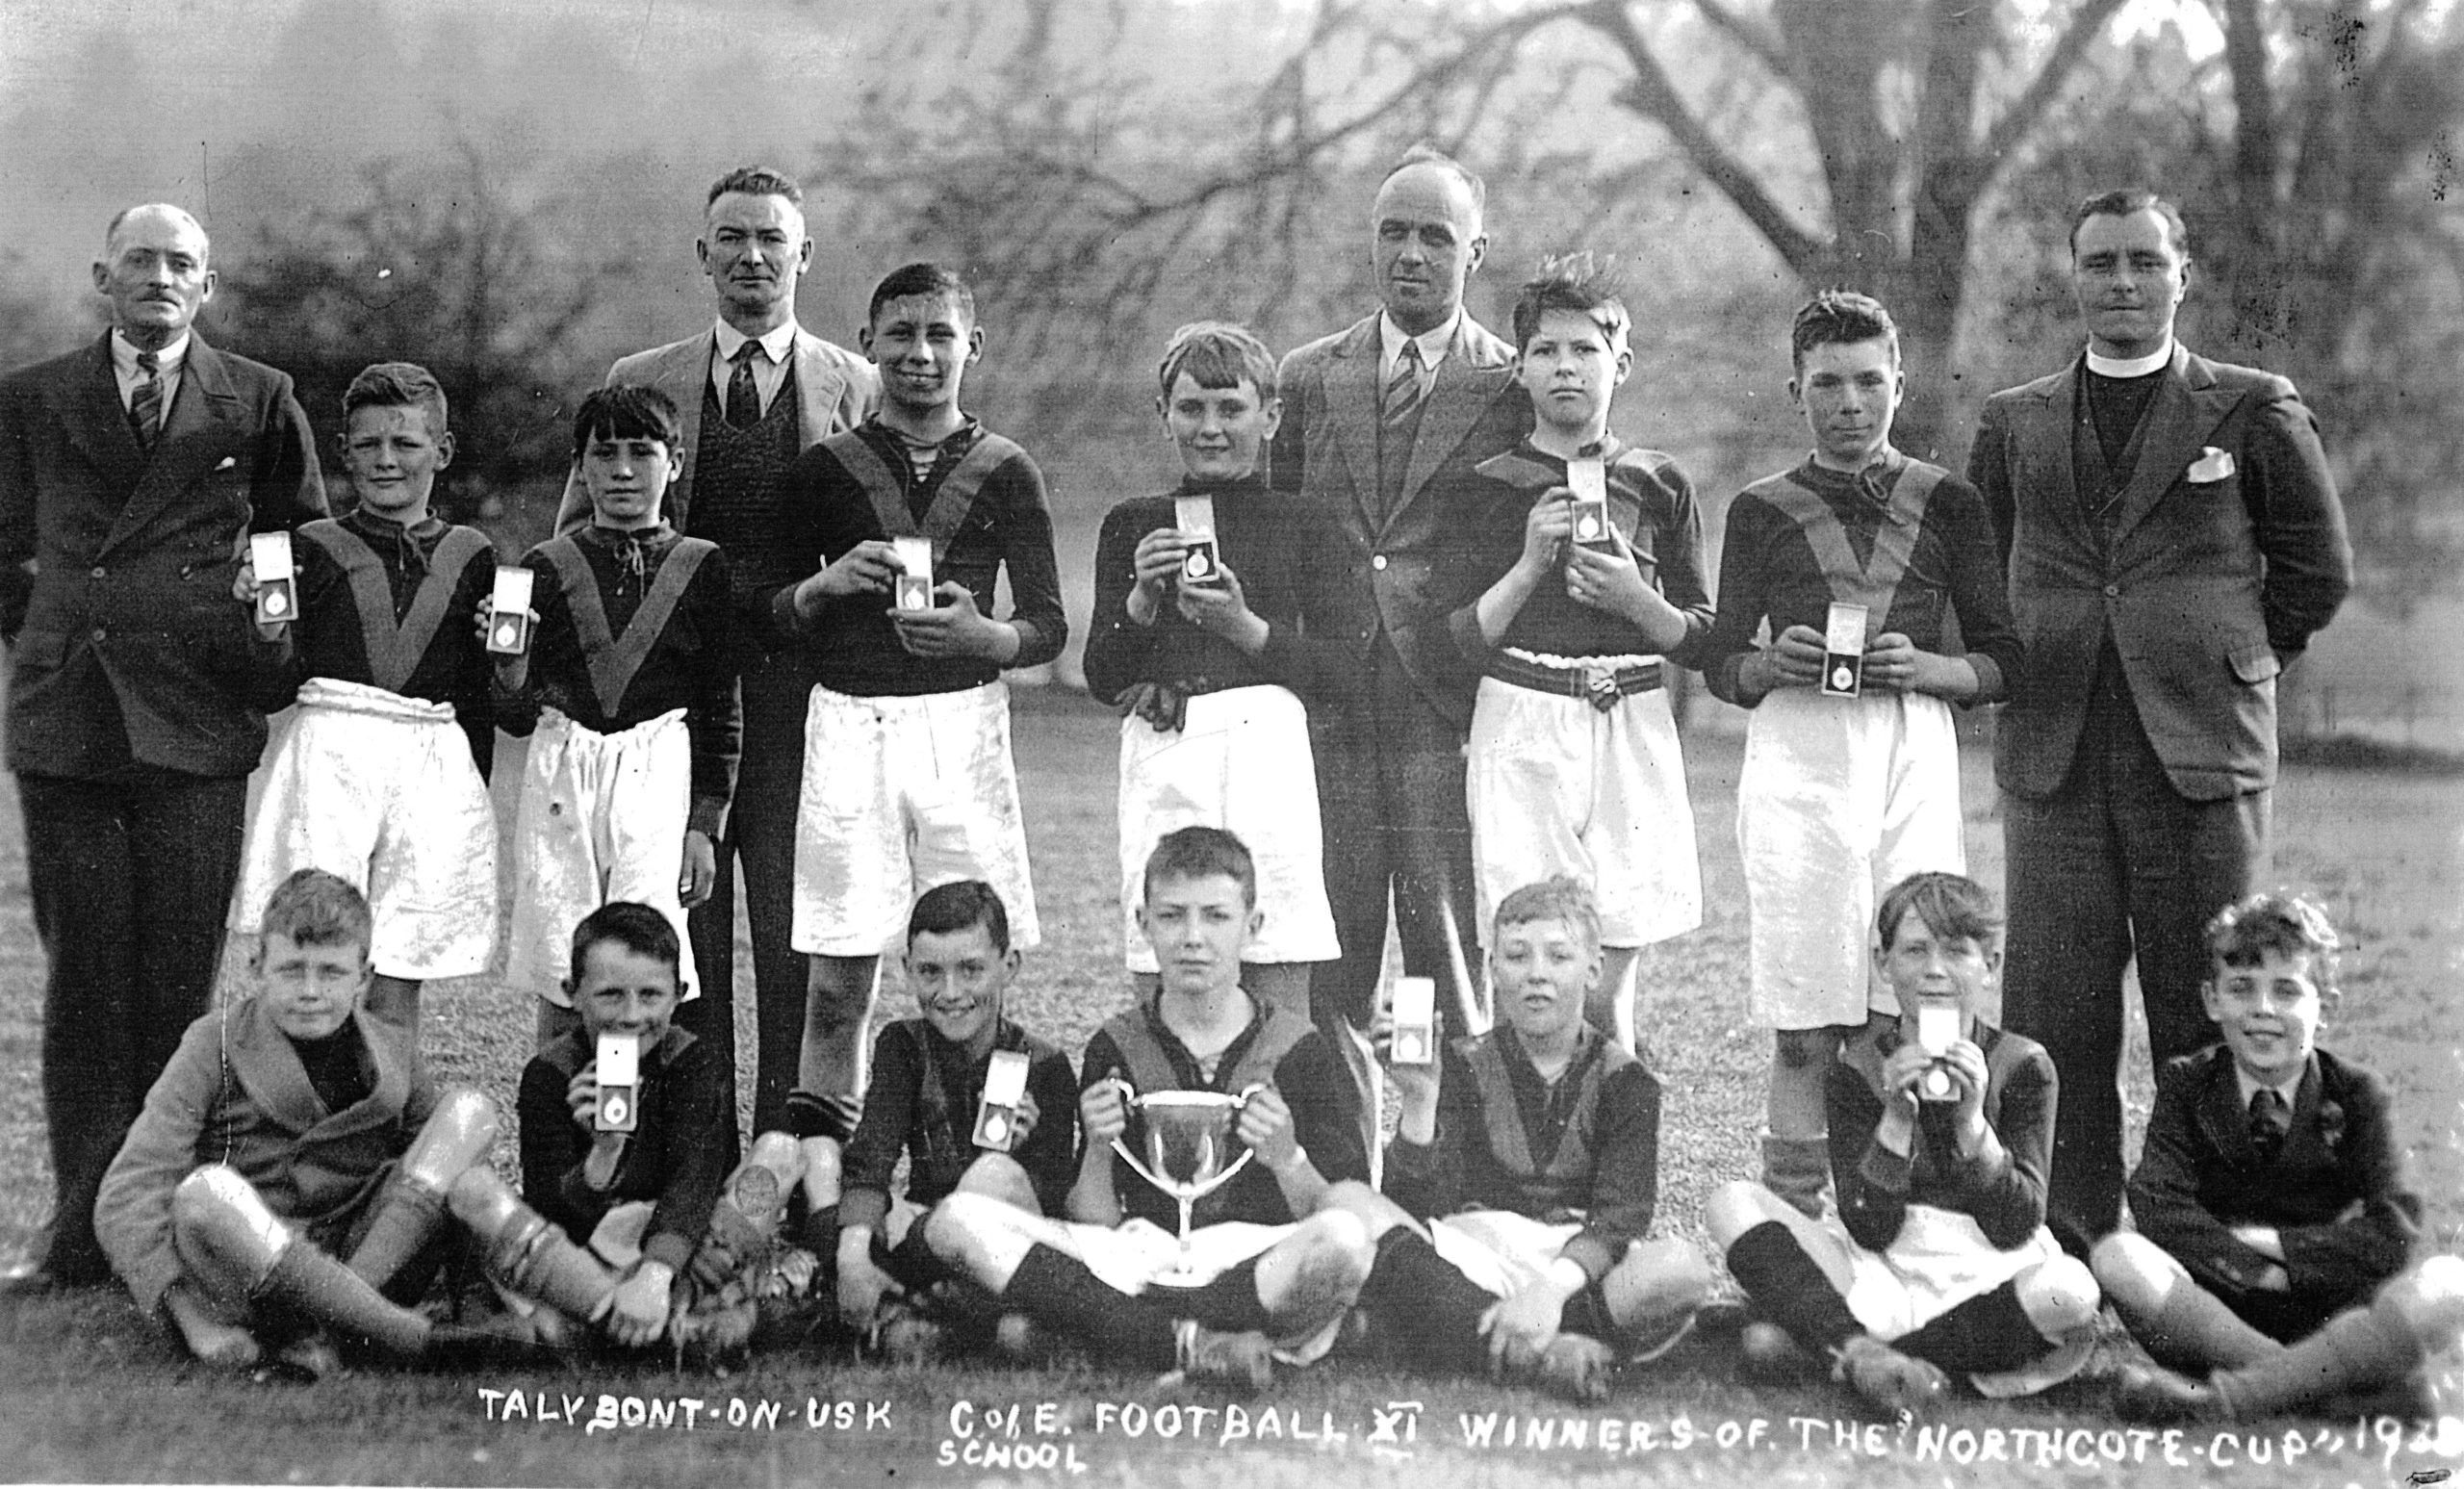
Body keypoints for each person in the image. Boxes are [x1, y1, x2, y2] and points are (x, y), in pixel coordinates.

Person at [1967, 189, 2352, 1248]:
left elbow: (2317, 569)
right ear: (2072, 278)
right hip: (2053, 755)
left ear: (2184, 273)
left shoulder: (2251, 406)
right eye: (2101, 263)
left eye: (2144, 261)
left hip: (2198, 756)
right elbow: (1977, 572)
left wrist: (2238, 654)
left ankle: (2206, 1235)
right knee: (2054, 1012)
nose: (2123, 282)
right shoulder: (2013, 419)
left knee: (2209, 1004)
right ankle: (2066, 1237)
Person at [0, 203, 326, 1291]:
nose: (158, 277)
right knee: (85, 978)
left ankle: (158, 1219)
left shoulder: (261, 397)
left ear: (209, 284)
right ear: (103, 275)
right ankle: (82, 1233)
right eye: (139, 259)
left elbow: (297, 547)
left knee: (176, 985)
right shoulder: (35, 396)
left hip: (194, 721)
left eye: (179, 262)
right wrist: (51, 629)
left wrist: (251, 644)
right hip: (74, 721)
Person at [553, 167, 877, 1150]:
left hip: (803, 702)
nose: (751, 257)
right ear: (703, 255)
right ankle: (684, 1159)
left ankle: (777, 1164)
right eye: (731, 238)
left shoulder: (856, 387)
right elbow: (571, 546)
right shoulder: (638, 380)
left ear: (804, 254)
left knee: (790, 938)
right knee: (670, 934)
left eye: (771, 239)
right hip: (670, 708)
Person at [1699, 291, 2021, 1220]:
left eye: (1870, 380)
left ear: (1900, 384)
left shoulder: (1949, 501)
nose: (1850, 401)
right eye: (1827, 383)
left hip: (1912, 745)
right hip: (1799, 752)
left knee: (1915, 1004)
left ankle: (1910, 1219)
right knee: (1806, 1019)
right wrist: (1766, 662)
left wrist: (1933, 666)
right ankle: (1794, 1236)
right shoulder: (1761, 508)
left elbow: (2006, 656)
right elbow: (1721, 657)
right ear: (1795, 388)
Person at [1270, 144, 1529, 1161]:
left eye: (1434, 236)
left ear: (1476, 250)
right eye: (1393, 232)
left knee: (1443, 947)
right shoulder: (1305, 376)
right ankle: (1346, 1166)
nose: (1411, 254)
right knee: (1330, 946)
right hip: (1329, 706)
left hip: (1443, 704)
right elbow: (1273, 536)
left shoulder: (1510, 386)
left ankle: (1448, 1169)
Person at [771, 262, 1066, 1144]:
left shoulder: (1009, 469)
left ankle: (976, 1168)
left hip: (962, 725)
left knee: (972, 971)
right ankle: (828, 1189)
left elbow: (1048, 624)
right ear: (867, 346)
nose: (921, 354)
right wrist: (823, 586)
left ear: (971, 345)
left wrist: (989, 639)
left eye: (940, 335)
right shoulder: (825, 470)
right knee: (837, 982)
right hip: (850, 726)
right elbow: (768, 609)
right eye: (900, 335)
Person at [921, 827, 1375, 1390]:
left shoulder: (1300, 1047)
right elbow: (1094, 1221)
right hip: (1138, 1256)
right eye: (1171, 916)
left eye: (1215, 916)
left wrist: (1287, 1158)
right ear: (1143, 925)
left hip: (1249, 1258)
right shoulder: (1118, 1044)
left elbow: (1337, 1206)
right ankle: (1191, 1344)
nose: (1193, 937)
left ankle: (1110, 1335)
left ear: (1251, 927)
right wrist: (1097, 1147)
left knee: (1344, 1240)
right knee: (957, 1219)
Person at [1705, 872, 2100, 1416]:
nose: (1935, 970)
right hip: (1882, 1269)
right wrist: (1894, 1120)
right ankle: (1873, 1354)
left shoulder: (2023, 1064)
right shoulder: (1860, 1069)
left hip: (1988, 1274)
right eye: (1915, 950)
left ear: (1991, 967)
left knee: (2070, 1290)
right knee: (1733, 1202)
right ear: (1883, 965)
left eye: (1957, 952)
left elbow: (2016, 1224)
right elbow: (1871, 1227)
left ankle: (1847, 1354)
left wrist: (1972, 1126)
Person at [1447, 254, 1711, 1050]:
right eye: (1546, 351)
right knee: (1530, 960)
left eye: (1586, 350)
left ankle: (1608, 1163)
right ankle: (1513, 1166)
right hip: (1524, 717)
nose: (1566, 366)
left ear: (1620, 363)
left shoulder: (1656, 481)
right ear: (1519, 368)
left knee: (1608, 975)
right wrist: (1530, 564)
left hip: (1630, 715)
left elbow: (1705, 635)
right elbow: (1453, 642)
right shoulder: (1487, 483)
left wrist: (1635, 597)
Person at [92, 870, 499, 1374]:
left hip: (360, 1256)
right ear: (257, 967)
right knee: (208, 1191)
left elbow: (437, 1181)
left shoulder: (393, 1049)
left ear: (364, 976)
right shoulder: (212, 1042)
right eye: (291, 970)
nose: (310, 991)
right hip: (245, 1274)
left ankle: (336, 1327)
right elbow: (127, 1192)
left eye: (330, 972)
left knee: (467, 1115)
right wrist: (197, 1324)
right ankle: (410, 1337)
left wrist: (478, 1285)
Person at [1328, 877, 1713, 1403]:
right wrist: (1420, 1099)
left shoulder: (1627, 1081)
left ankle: (1479, 1338)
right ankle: (1551, 1353)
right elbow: (1416, 1212)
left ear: (1594, 969)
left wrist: (1550, 1292)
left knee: (1681, 1269)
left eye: (1558, 957)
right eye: (1516, 956)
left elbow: (1620, 1216)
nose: (1537, 974)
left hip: (1571, 1266)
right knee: (1348, 1204)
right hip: (1474, 1255)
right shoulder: (1463, 1064)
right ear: (1492, 970)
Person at [2093, 893, 2453, 1422]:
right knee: (2117, 1256)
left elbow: (2394, 1230)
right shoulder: (2189, 1082)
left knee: (2448, 1280)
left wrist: (2280, 1250)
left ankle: (2230, 1401)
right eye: (2242, 989)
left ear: (2325, 1008)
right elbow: (2158, 1204)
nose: (2263, 1010)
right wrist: (2249, 1268)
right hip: (2217, 1310)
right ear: (2213, 1001)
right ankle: (2319, 1390)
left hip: (2331, 1310)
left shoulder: (2357, 1094)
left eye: (2286, 991)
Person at [1082, 321, 1343, 1017]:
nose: (1212, 428)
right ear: (1164, 414)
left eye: (1232, 409)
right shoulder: (1133, 522)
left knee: (1277, 955)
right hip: (1167, 749)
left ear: (1270, 415)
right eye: (1192, 408)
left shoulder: (1305, 523)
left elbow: (1339, 671)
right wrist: (1140, 598)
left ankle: (1277, 1118)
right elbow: (1103, 673)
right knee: (1167, 957)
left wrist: (1244, 627)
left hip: (1268, 750)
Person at [227, 362, 498, 1032]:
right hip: (329, 759)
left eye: (405, 444)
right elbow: (271, 688)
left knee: (401, 956)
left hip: (430, 760)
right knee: (312, 941)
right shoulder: (310, 547)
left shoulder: (473, 553)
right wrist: (266, 632)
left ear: (442, 450)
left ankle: (383, 1116)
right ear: (344, 451)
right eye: (368, 444)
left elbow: (481, 698)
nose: (386, 460)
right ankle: (297, 1113)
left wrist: (472, 789)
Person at [459, 901, 829, 1359]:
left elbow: (696, 1180)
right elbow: (549, 1214)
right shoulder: (550, 1073)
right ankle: (683, 1323)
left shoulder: (695, 1062)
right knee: (476, 1195)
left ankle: (621, 1321)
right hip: (586, 1255)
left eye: (651, 996)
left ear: (679, 994)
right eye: (611, 995)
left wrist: (654, 1274)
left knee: (777, 1155)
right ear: (572, 992)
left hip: (685, 1247)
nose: (632, 1016)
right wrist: (603, 1156)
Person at [488, 385, 742, 1046]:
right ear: (582, 467)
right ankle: (558, 1124)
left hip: (657, 770)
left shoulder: (701, 566)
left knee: (643, 952)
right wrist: (507, 665)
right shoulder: (547, 565)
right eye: (604, 454)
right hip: (564, 768)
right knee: (561, 953)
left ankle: (637, 1132)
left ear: (675, 463)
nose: (623, 470)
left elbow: (721, 704)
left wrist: (704, 826)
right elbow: (515, 713)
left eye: (642, 452)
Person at [828, 881, 1078, 1354]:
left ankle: (927, 1313)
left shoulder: (1043, 1065)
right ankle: (915, 1302)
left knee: (995, 1173)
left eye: (971, 970)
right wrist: (853, 1253)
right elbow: (873, 1152)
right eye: (930, 972)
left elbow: (1053, 1201)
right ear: (906, 970)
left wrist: (1023, 1151)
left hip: (1003, 1245)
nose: (951, 992)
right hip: (924, 1232)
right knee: (824, 1165)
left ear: (1009, 967)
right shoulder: (903, 1046)